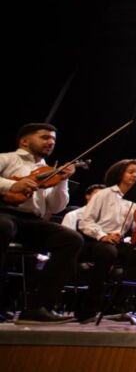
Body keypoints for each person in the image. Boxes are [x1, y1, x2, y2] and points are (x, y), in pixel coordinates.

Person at [0, 123, 83, 324]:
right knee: (3, 227)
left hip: (31, 222)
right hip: (4, 213)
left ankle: (39, 307)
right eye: (45, 137)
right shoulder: (6, 158)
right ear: (25, 140)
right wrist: (12, 184)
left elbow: (55, 207)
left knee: (71, 239)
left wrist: (62, 180)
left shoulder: (48, 171)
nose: (50, 142)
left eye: (53, 139)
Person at [75, 159, 136, 322]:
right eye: (131, 171)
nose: (135, 176)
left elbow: (134, 228)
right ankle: (88, 309)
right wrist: (103, 235)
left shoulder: (135, 201)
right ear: (120, 173)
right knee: (107, 252)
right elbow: (85, 222)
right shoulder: (104, 194)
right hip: (94, 240)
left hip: (116, 242)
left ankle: (116, 307)